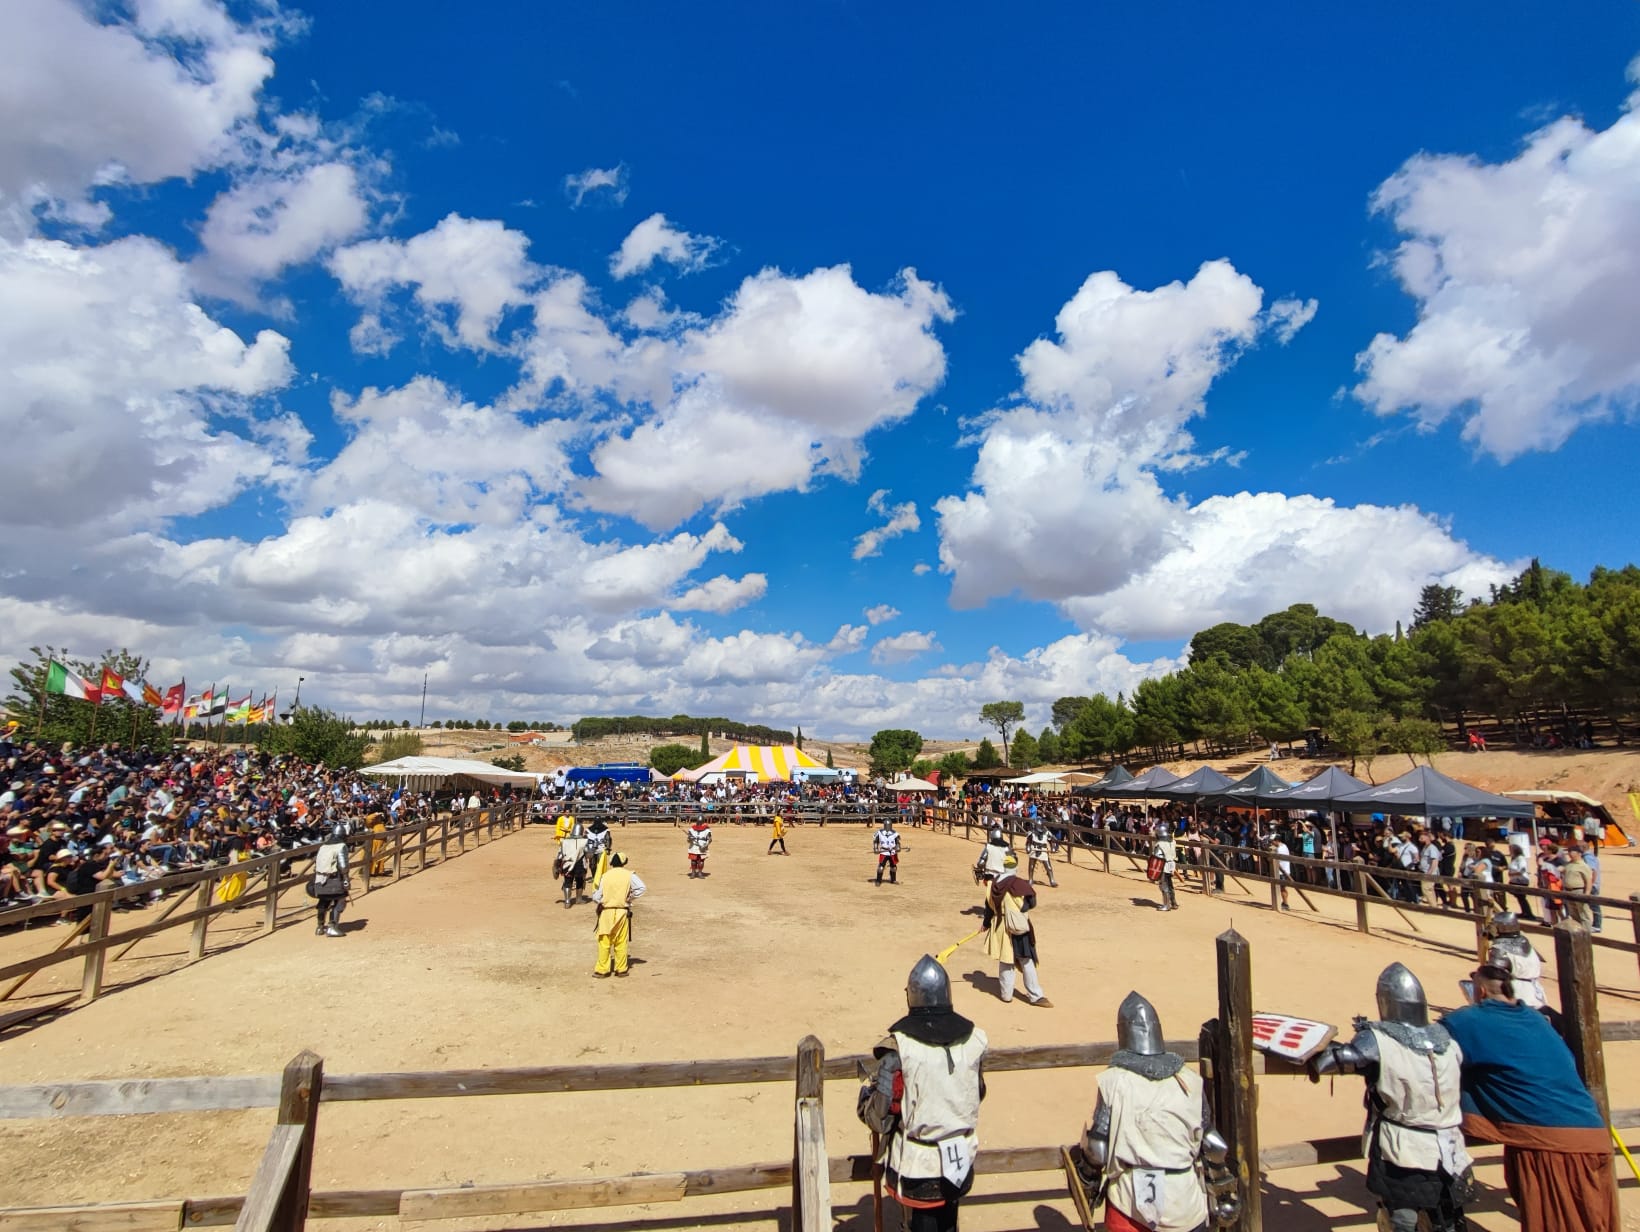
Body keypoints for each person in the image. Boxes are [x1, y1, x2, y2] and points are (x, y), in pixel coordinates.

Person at [1441, 962, 1618, 1232]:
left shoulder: (1470, 1020)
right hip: (1593, 1134)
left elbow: (1429, 1044)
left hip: (1552, 1144)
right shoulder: (1536, 1018)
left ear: (1481, 992)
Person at [1306, 963, 1474, 1232]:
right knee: (1449, 1218)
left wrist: (1320, 1049)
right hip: (1451, 1146)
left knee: (1401, 1219)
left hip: (1404, 1147)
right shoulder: (1446, 1039)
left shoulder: (1379, 1040)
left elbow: (1330, 1062)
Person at [1070, 991, 1240, 1232]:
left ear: (1123, 1033)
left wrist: (1087, 1180)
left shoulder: (1114, 1082)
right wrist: (1223, 1191)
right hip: (1184, 1201)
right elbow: (1212, 1144)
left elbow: (1098, 1148)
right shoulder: (1189, 1080)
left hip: (1130, 1204)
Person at [857, 955, 988, 1232]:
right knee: (949, 1224)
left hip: (919, 1166)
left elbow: (880, 1118)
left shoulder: (900, 1050)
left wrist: (865, 1101)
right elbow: (978, 1091)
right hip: (960, 1156)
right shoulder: (973, 1040)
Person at [982, 854, 1051, 1007]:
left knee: (1006, 960)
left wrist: (986, 924)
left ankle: (1006, 995)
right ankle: (1035, 995)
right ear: (1015, 868)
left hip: (1000, 926)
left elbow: (988, 907)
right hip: (1018, 926)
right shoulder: (1019, 884)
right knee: (1026, 960)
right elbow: (1031, 902)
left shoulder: (992, 885)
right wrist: (1020, 909)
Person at [591, 851, 645, 977]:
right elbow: (641, 888)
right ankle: (621, 969)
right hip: (622, 911)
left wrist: (603, 901)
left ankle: (602, 970)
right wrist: (629, 898)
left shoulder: (605, 876)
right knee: (621, 941)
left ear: (611, 863)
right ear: (624, 863)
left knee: (604, 941)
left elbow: (596, 896)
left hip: (606, 912)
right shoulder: (629, 875)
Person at [1483, 913, 1550, 1014]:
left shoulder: (1500, 948)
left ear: (1501, 927)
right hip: (1536, 991)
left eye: (1494, 925)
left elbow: (1493, 973)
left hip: (1517, 993)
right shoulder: (1525, 942)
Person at [312, 824, 350, 937]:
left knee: (323, 902)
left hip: (319, 878)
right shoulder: (341, 846)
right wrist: (346, 879)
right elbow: (343, 866)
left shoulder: (323, 846)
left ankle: (320, 927)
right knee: (340, 901)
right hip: (333, 879)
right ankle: (332, 927)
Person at [1557, 845, 1594, 928]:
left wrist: (1586, 894)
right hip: (1568, 891)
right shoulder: (1569, 864)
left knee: (1583, 914)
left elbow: (1588, 881)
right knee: (1573, 913)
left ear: (1579, 853)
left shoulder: (1583, 866)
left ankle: (1586, 933)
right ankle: (1577, 932)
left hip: (1579, 891)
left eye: (1572, 852)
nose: (1570, 854)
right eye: (1569, 852)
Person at [557, 819, 589, 908]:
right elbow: (588, 854)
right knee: (580, 881)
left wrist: (557, 865)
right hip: (579, 865)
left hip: (567, 864)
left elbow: (560, 854)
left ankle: (567, 901)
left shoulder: (565, 841)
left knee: (567, 882)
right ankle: (578, 899)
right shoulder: (584, 841)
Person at [1024, 818, 1058, 888]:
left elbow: (1051, 841)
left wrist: (1053, 848)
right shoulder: (1032, 832)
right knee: (1031, 866)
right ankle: (1030, 879)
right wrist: (1028, 847)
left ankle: (1052, 880)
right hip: (1034, 848)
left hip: (1043, 849)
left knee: (1048, 866)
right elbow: (1028, 841)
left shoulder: (1046, 832)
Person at [1152, 826, 1178, 912]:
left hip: (1163, 865)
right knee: (1169, 883)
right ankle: (1173, 903)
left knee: (1164, 885)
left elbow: (1157, 857)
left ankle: (1166, 905)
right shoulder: (1173, 841)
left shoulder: (1160, 844)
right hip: (1171, 864)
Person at [873, 817, 901, 886]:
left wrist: (898, 847)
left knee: (893, 867)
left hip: (892, 852)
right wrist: (875, 848)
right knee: (881, 867)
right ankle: (878, 881)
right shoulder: (879, 832)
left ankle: (893, 880)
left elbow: (897, 842)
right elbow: (876, 841)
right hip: (884, 851)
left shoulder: (895, 833)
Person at [1268, 836, 1291, 911]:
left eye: (1272, 841)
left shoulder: (1278, 849)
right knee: (1282, 888)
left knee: (1282, 888)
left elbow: (1270, 859)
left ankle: (1285, 904)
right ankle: (1283, 902)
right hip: (1285, 870)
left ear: (1277, 840)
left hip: (1281, 871)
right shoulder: (1284, 846)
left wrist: (1270, 851)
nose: (1271, 843)